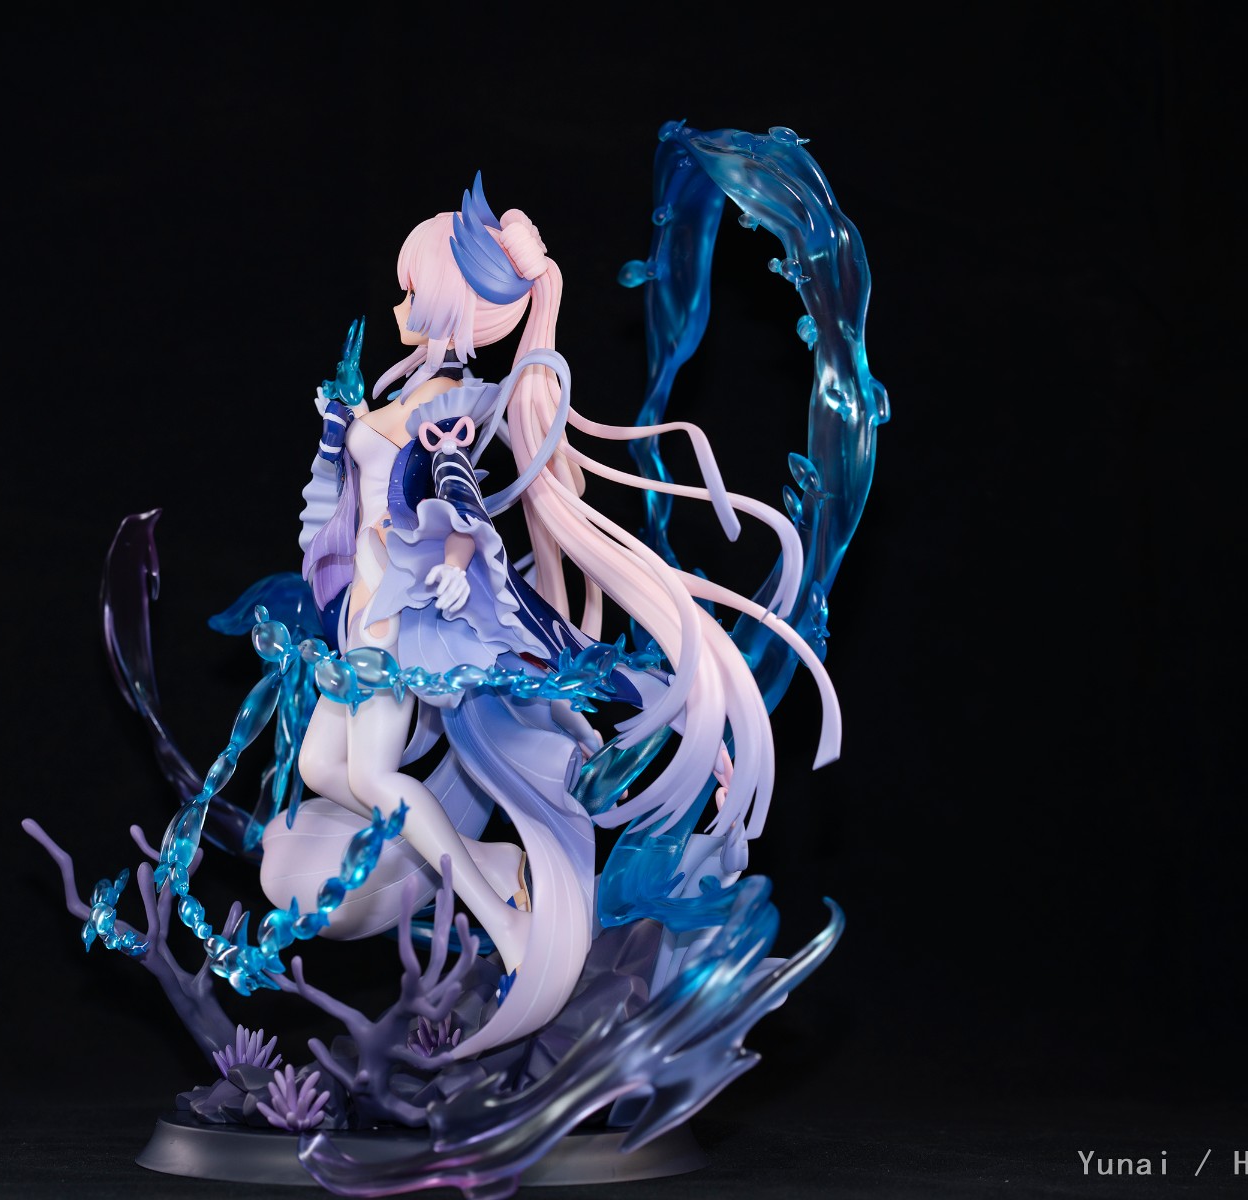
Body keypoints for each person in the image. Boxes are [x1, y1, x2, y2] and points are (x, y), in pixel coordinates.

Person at [258, 175, 841, 1056]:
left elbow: (458, 501)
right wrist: (340, 434)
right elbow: (353, 500)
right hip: (356, 617)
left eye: (412, 291)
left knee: (373, 777)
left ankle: (505, 921)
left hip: (395, 621)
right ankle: (490, 862)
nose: (399, 305)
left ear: (450, 303)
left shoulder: (444, 407)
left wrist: (454, 567)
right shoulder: (401, 397)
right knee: (319, 767)